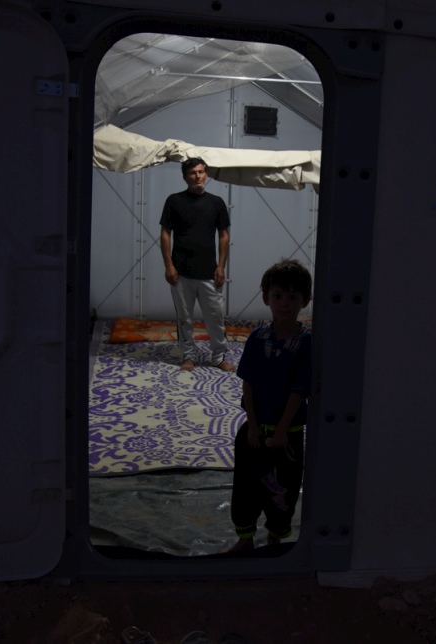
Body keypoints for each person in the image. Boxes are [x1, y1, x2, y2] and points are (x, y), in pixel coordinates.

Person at [224, 258, 313, 552]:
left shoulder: (306, 343)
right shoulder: (257, 338)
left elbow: (298, 392)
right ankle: (245, 539)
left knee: (282, 488)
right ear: (266, 298)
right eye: (277, 295)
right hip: (255, 431)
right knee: (246, 486)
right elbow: (247, 384)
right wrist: (251, 426)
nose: (284, 303)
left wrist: (281, 432)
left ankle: (275, 537)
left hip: (287, 434)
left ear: (305, 300)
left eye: (292, 297)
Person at [159, 157, 235, 371]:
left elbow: (224, 235)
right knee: (184, 319)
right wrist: (169, 266)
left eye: (201, 172)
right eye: (193, 173)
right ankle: (188, 356)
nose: (198, 176)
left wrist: (221, 266)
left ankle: (219, 357)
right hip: (181, 272)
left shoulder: (216, 203)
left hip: (210, 273)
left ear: (207, 174)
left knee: (216, 319)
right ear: (185, 177)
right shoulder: (174, 201)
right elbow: (165, 233)